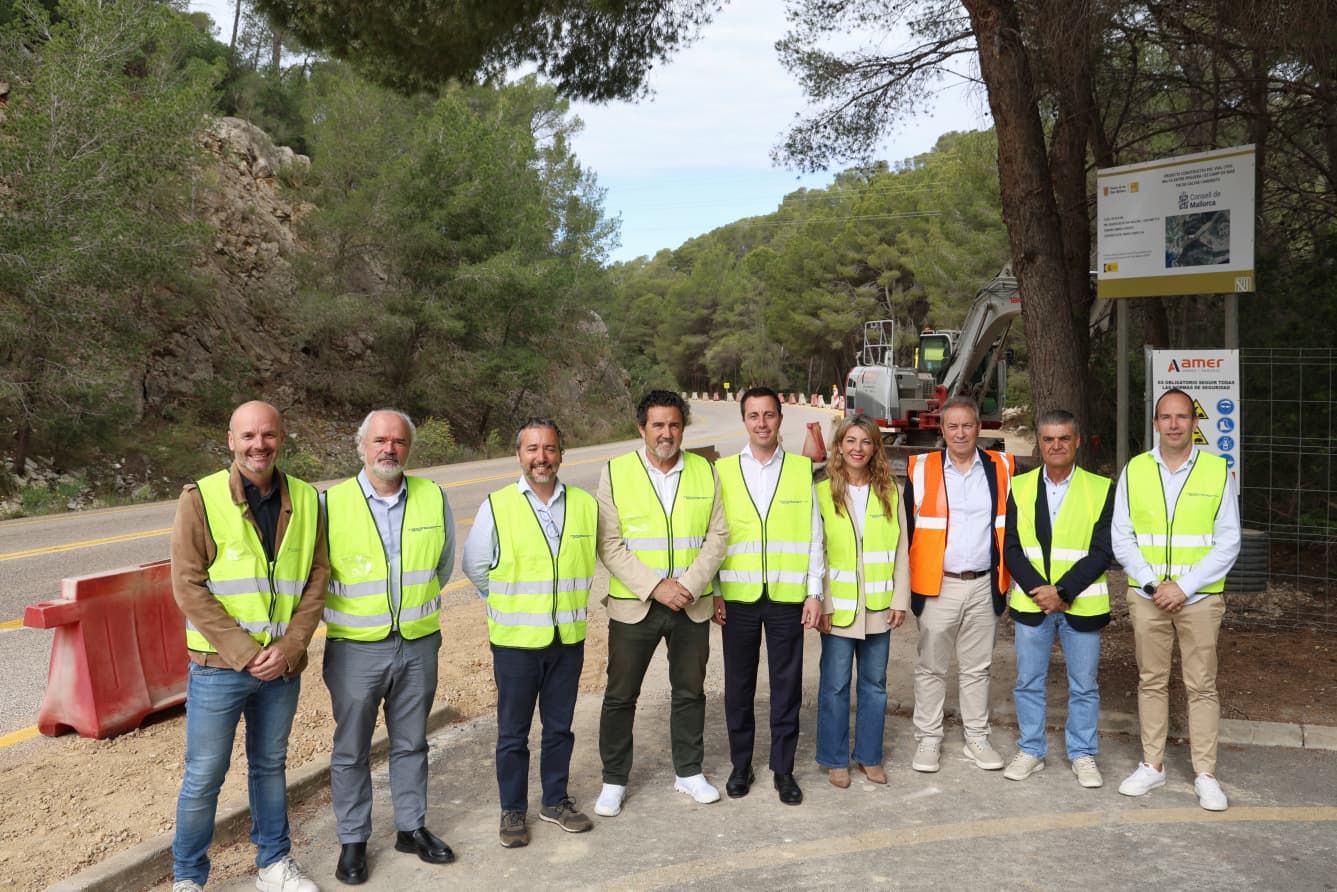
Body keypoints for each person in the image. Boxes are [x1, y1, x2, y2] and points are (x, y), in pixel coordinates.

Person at [169, 400, 328, 892]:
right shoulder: (200, 498)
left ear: (282, 438)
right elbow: (188, 585)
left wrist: (291, 646)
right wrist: (245, 652)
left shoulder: (307, 498)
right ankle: (188, 877)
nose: (259, 445)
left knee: (270, 767)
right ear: (231, 441)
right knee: (204, 776)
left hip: (282, 667)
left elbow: (317, 576)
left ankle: (273, 863)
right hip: (219, 668)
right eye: (248, 436)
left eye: (269, 435)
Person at [321, 410, 456, 885]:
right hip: (356, 648)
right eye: (379, 440)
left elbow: (442, 566)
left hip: (417, 643)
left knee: (411, 742)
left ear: (409, 448)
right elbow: (316, 575)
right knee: (352, 748)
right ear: (362, 446)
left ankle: (411, 828)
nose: (389, 449)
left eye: (398, 441)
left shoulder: (433, 496)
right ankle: (353, 839)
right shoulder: (330, 503)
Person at [463, 418, 597, 848]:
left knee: (559, 727)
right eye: (533, 449)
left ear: (561, 454)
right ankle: (513, 809)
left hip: (567, 638)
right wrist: (507, 602)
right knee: (513, 732)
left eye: (550, 448)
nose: (542, 457)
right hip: (516, 644)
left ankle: (555, 801)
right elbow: (475, 566)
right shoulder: (498, 505)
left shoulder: (584, 505)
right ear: (519, 455)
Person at [594, 390, 729, 817]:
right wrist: (656, 587)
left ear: (682, 428)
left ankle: (689, 772)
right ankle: (614, 780)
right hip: (635, 606)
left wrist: (687, 585)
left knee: (690, 691)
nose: (666, 433)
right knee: (620, 695)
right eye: (657, 425)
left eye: (673, 424)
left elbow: (718, 536)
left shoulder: (705, 472)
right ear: (642, 428)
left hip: (690, 602)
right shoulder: (615, 472)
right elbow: (609, 544)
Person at [1113, 388, 1240, 811]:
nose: (1173, 424)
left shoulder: (1216, 470)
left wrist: (1183, 587)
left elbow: (1228, 541)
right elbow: (1122, 536)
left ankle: (1206, 774)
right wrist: (1155, 586)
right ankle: (1153, 766)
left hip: (1199, 600)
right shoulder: (1135, 470)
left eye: (1182, 416)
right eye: (1165, 417)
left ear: (1194, 423)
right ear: (1155, 423)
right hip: (1148, 597)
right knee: (1151, 681)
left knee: (1201, 685)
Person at [712, 387, 823, 805]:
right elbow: (713, 537)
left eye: (769, 415)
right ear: (744, 420)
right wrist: (715, 591)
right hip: (737, 597)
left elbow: (814, 536)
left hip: (786, 596)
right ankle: (741, 765)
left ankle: (783, 769)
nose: (762, 423)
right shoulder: (723, 471)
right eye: (754, 415)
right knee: (738, 687)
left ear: (780, 418)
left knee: (786, 687)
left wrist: (814, 592)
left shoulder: (800, 469)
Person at [1001, 409, 1115, 787]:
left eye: (1064, 438)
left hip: (1080, 604)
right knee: (1028, 682)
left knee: (1084, 686)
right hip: (1033, 604)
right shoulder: (1019, 486)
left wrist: (1063, 592)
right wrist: (1043, 592)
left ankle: (1082, 753)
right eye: (1048, 439)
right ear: (1039, 443)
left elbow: (1103, 551)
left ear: (1077, 441)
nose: (1056, 445)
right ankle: (1032, 750)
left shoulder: (1101, 488)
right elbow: (1011, 548)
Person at [905, 396, 1016, 773]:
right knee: (931, 668)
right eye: (952, 426)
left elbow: (1010, 527)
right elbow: (908, 530)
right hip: (938, 585)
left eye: (967, 425)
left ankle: (977, 738)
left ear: (979, 428)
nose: (960, 433)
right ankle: (928, 739)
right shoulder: (922, 468)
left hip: (984, 584)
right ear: (942, 430)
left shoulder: (1001, 468)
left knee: (977, 668)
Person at [813, 414, 911, 788]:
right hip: (838, 610)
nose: (858, 448)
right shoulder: (822, 492)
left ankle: (869, 756)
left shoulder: (891, 492)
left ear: (875, 448)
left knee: (875, 685)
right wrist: (822, 603)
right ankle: (835, 759)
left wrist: (900, 598)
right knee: (835, 685)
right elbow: (817, 553)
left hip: (879, 607)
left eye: (866, 441)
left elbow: (901, 548)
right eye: (850, 441)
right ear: (839, 446)